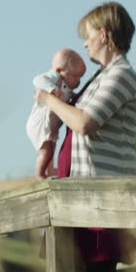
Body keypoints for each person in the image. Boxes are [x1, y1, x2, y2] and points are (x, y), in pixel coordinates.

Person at [34, 2, 136, 272]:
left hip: (101, 198)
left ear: (104, 35)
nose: (85, 44)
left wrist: (48, 99)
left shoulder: (122, 75)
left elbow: (84, 122)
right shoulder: (100, 76)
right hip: (77, 197)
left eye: (88, 36)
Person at [25, 49, 86, 179]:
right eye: (75, 76)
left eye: (80, 77)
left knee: (51, 149)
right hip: (41, 124)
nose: (78, 81)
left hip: (51, 127)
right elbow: (37, 80)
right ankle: (40, 174)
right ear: (59, 71)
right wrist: (51, 89)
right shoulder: (55, 78)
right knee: (47, 152)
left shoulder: (68, 88)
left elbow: (70, 97)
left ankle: (50, 170)